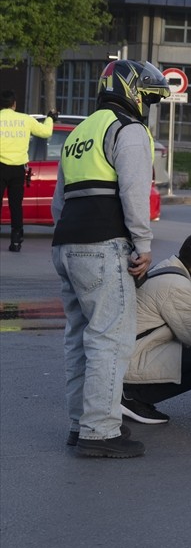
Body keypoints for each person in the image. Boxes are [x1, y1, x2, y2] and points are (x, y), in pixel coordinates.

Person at [53, 60, 169, 458]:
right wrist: (143, 244)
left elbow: (59, 201)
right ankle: (100, 432)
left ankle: (80, 423)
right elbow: (135, 193)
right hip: (104, 245)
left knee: (79, 340)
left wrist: (69, 241)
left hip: (67, 245)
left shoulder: (79, 132)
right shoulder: (129, 129)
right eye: (148, 99)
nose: (148, 108)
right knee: (108, 340)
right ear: (132, 91)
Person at [120, 231, 191, 424]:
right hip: (133, 360)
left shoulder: (169, 268)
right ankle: (133, 396)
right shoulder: (177, 286)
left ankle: (133, 393)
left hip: (131, 352)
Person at [0, 90, 57, 252]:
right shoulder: (25, 120)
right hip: (18, 169)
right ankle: (16, 240)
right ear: (14, 104)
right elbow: (46, 132)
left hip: (0, 166)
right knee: (16, 205)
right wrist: (50, 119)